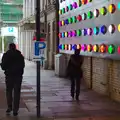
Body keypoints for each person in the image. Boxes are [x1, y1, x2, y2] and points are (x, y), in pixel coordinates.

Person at [1, 43, 25, 116]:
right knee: (17, 92)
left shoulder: (6, 55)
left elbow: (3, 67)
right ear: (15, 47)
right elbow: (22, 65)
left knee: (9, 91)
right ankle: (15, 110)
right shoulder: (20, 55)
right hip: (18, 76)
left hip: (9, 76)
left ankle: (9, 107)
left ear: (9, 47)